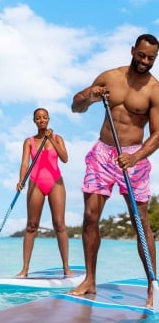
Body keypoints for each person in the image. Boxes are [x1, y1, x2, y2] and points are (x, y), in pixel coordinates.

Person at [70, 33, 159, 308]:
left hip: (133, 156)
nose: (145, 61)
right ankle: (89, 280)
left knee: (141, 224)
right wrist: (90, 96)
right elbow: (76, 106)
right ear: (133, 50)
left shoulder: (154, 90)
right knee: (89, 217)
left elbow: (157, 134)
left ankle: (152, 287)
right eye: (142, 55)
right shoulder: (109, 77)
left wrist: (137, 157)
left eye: (151, 58)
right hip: (102, 154)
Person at [16, 108, 72, 277]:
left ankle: (66, 267)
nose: (41, 120)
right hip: (35, 183)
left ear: (48, 119)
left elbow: (65, 158)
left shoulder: (57, 138)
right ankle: (25, 269)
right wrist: (21, 180)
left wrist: (51, 140)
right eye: (38, 118)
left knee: (59, 225)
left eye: (44, 117)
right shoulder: (29, 141)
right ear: (34, 121)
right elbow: (25, 163)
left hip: (56, 183)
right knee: (31, 226)